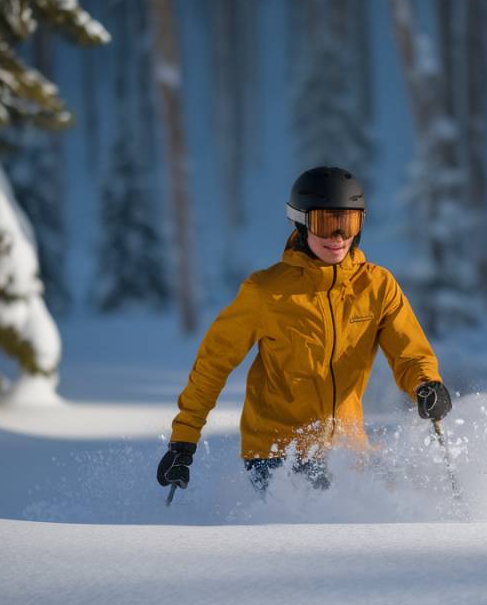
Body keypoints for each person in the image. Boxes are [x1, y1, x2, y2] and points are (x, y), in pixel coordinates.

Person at [157, 166, 452, 494]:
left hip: (347, 450)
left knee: (400, 499)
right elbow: (214, 363)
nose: (337, 237)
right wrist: (183, 441)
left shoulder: (377, 286)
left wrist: (427, 384)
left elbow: (409, 352)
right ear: (300, 223)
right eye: (325, 223)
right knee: (330, 520)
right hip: (278, 451)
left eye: (348, 223)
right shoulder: (267, 291)